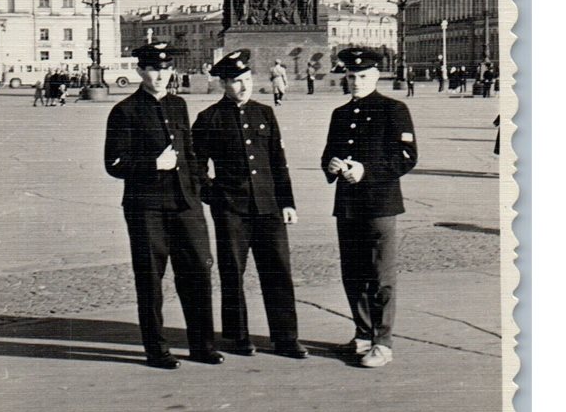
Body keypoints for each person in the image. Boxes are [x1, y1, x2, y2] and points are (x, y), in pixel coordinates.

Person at [104, 42, 222, 370]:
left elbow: (191, 153)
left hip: (185, 204)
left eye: (165, 69)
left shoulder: (179, 105)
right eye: (153, 69)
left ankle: (202, 345)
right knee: (151, 278)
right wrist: (152, 164)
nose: (160, 75)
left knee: (198, 273)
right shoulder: (125, 111)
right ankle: (156, 349)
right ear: (140, 71)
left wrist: (199, 188)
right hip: (147, 207)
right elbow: (113, 163)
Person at [193, 49, 308, 360]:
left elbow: (277, 162)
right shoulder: (209, 119)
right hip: (231, 209)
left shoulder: (264, 114)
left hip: (268, 207)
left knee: (278, 271)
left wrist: (287, 202)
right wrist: (213, 195)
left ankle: (286, 337)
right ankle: (238, 336)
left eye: (246, 80)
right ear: (222, 84)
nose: (243, 87)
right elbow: (196, 166)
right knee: (233, 272)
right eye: (235, 82)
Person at [321, 47, 418, 368]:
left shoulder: (393, 110)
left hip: (379, 205)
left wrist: (366, 171)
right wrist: (331, 165)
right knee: (353, 272)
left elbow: (406, 157)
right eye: (351, 76)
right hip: (347, 205)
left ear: (376, 76)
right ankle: (362, 332)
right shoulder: (340, 114)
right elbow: (328, 155)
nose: (357, 82)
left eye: (363, 76)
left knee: (381, 274)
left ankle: (383, 340)